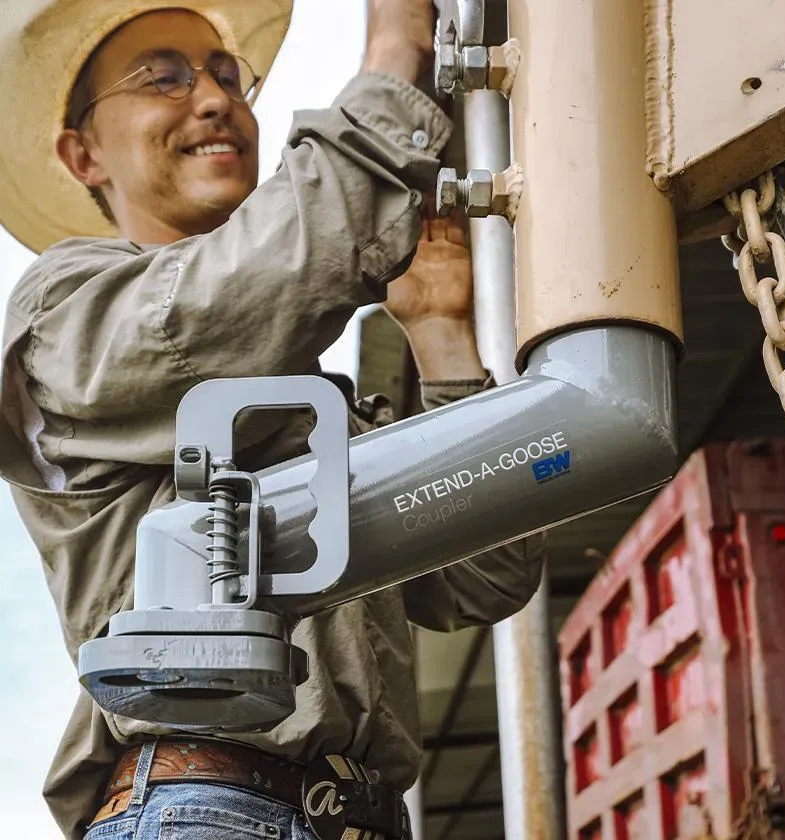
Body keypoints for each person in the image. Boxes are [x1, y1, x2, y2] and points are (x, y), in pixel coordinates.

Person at [0, 1, 544, 837]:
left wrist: (440, 335)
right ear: (82, 153)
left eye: (227, 76)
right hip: (205, 808)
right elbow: (269, 276)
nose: (214, 100)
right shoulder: (64, 314)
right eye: (163, 78)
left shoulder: (292, 397)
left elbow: (484, 574)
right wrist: (396, 48)